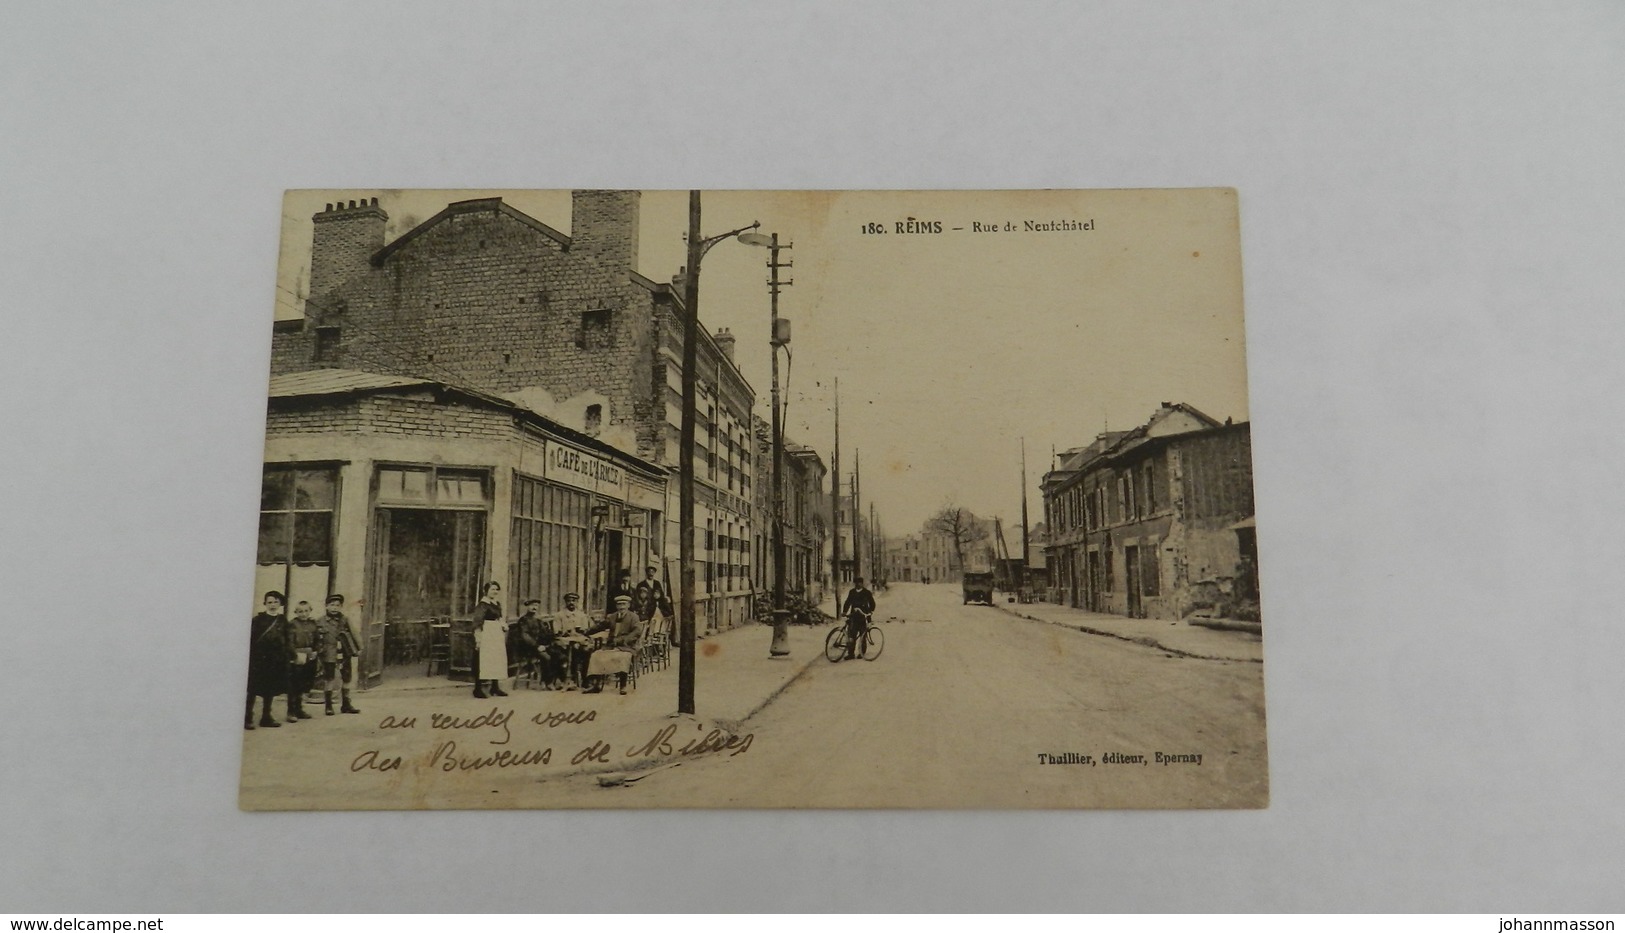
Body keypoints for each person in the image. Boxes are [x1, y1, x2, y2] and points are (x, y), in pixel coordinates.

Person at [247, 591, 290, 729]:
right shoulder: (258, 620)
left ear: (280, 603)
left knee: (270, 689)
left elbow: (287, 639)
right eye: (270, 602)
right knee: (252, 689)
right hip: (258, 659)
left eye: (275, 602)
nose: (272, 605)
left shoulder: (282, 620)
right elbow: (251, 639)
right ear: (265, 603)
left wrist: (289, 655)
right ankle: (247, 717)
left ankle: (266, 717)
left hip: (275, 659)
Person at [583, 593, 641, 695]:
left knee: (623, 657)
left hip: (626, 647)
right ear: (616, 606)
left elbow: (637, 632)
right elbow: (600, 626)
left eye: (624, 604)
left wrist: (625, 639)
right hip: (611, 646)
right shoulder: (612, 617)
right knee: (595, 656)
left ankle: (623, 686)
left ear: (628, 605)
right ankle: (596, 684)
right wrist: (586, 631)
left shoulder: (634, 617)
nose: (622, 607)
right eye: (619, 605)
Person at [314, 594, 362, 715]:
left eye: (337, 605)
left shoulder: (345, 620)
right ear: (326, 606)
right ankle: (328, 706)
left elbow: (354, 633)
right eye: (332, 605)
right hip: (328, 654)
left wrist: (359, 647)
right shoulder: (320, 621)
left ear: (341, 607)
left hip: (344, 653)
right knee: (329, 679)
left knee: (346, 678)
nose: (334, 608)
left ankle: (346, 704)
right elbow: (315, 639)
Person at [512, 598, 565, 689]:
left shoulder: (538, 620)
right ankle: (547, 682)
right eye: (532, 605)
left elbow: (545, 634)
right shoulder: (523, 620)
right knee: (547, 657)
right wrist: (536, 646)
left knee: (559, 654)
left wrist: (555, 636)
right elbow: (525, 636)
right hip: (528, 648)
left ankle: (557, 680)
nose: (534, 608)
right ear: (527, 607)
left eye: (536, 606)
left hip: (540, 647)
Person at [470, 581, 509, 699]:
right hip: (486, 634)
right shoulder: (482, 605)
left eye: (497, 589)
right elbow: (477, 623)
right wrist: (478, 639)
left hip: (496, 635)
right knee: (483, 660)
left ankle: (495, 687)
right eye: (492, 589)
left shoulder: (496, 604)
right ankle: (477, 689)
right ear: (486, 591)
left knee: (496, 659)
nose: (495, 591)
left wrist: (503, 624)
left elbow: (499, 617)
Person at [284, 601, 318, 723]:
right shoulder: (292, 624)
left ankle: (299, 709)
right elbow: (289, 642)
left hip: (310, 656)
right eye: (300, 611)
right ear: (296, 612)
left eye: (306, 611)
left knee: (304, 683)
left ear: (310, 611)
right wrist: (294, 655)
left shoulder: (313, 624)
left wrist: (316, 651)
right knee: (294, 684)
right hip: (297, 656)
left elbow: (317, 639)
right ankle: (291, 711)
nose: (303, 614)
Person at [555, 591, 592, 690]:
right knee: (561, 654)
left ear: (577, 602)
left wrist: (579, 632)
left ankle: (585, 679)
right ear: (565, 602)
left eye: (574, 601)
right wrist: (565, 632)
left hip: (578, 642)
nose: (571, 603)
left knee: (586, 652)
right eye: (569, 601)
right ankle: (564, 679)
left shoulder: (582, 615)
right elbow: (557, 631)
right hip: (564, 642)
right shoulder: (559, 615)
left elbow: (584, 631)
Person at [839, 577, 877, 660]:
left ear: (862, 583)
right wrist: (845, 611)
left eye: (859, 583)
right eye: (856, 583)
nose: (858, 584)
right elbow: (848, 602)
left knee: (863, 635)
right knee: (851, 635)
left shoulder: (867, 593)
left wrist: (870, 611)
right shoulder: (852, 592)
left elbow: (872, 603)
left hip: (863, 616)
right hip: (854, 616)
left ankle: (862, 652)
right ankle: (851, 653)